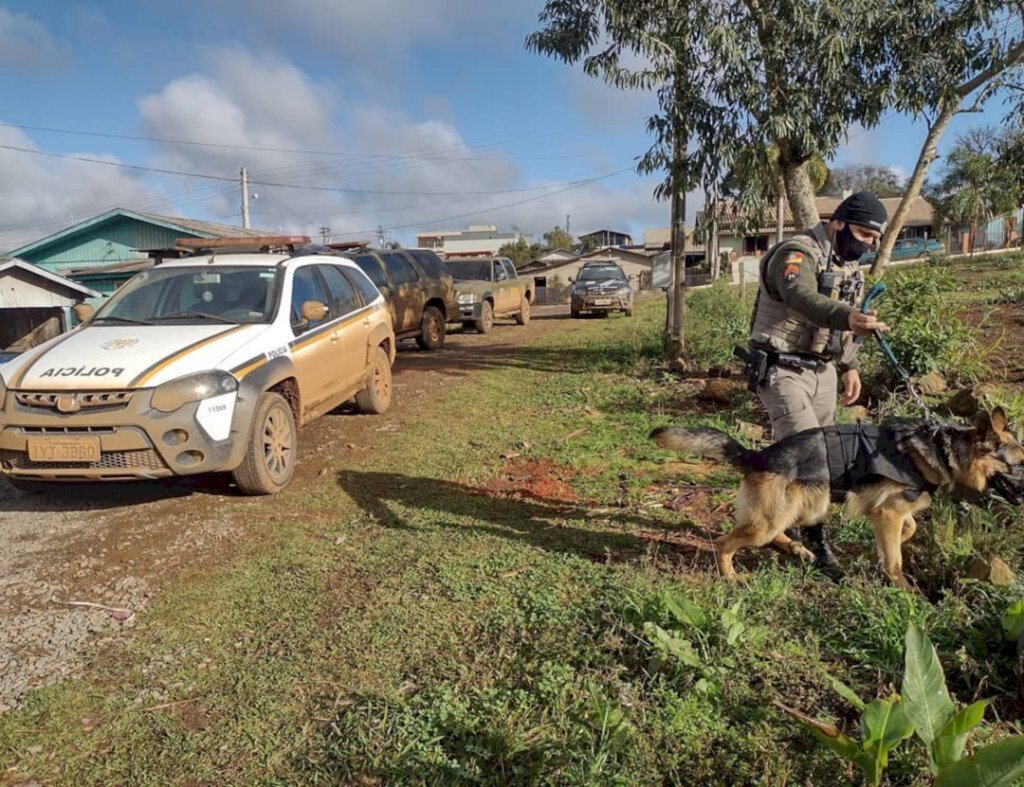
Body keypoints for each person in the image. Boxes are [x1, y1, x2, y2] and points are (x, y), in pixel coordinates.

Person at [743, 190, 891, 576]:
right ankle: (816, 546)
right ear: (837, 223)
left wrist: (850, 365)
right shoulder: (797, 252)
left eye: (874, 238)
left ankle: (784, 517)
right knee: (811, 459)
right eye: (863, 234)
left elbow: (846, 327)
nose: (868, 244)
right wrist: (848, 317)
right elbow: (799, 295)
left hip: (823, 369)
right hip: (783, 368)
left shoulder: (847, 267)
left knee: (825, 454)